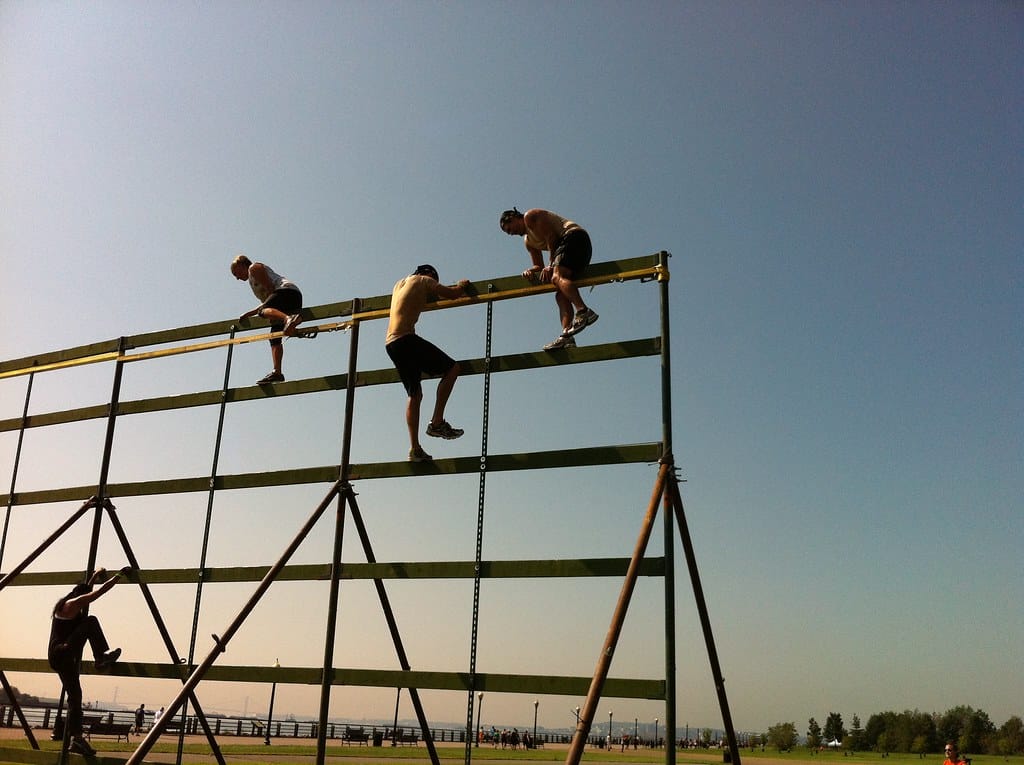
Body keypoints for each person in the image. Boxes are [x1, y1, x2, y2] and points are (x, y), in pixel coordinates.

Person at [385, 264, 471, 462]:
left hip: (391, 343)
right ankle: (437, 422)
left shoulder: (399, 284)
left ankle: (415, 449)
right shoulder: (425, 280)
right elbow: (453, 294)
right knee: (453, 368)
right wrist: (461, 285)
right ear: (430, 275)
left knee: (414, 394)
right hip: (406, 339)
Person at [48, 566, 128, 756]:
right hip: (64, 653)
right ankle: (100, 658)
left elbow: (87, 589)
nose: (83, 604)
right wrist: (119, 576)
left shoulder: (68, 601)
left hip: (60, 655)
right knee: (91, 620)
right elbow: (96, 593)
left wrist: (94, 575)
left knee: (75, 696)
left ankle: (76, 739)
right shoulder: (72, 604)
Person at [499, 207, 598, 350]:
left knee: (557, 276)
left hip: (574, 238)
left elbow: (551, 237)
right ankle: (567, 336)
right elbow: (538, 265)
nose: (511, 233)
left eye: (509, 228)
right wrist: (530, 271)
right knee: (561, 295)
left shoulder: (530, 216)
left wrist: (551, 265)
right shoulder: (528, 241)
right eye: (508, 233)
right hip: (571, 251)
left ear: (514, 217)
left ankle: (583, 312)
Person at [230, 254, 303, 384]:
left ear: (242, 265)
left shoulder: (253, 268)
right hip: (284, 300)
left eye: (236, 273)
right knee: (274, 336)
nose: (236, 278)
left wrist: (267, 312)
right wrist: (249, 314)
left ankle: (288, 319)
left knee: (263, 312)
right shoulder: (252, 282)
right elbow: (267, 301)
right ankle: (277, 372)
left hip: (288, 293)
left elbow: (270, 289)